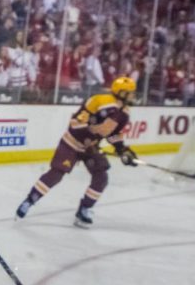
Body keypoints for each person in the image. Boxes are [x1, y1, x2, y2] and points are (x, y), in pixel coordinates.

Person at [15, 75, 140, 228]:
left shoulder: (124, 113)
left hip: (90, 148)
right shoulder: (99, 101)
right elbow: (75, 123)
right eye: (130, 92)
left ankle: (84, 209)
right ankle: (29, 201)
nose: (133, 96)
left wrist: (123, 150)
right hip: (72, 142)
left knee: (101, 177)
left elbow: (114, 134)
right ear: (121, 92)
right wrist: (88, 134)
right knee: (56, 174)